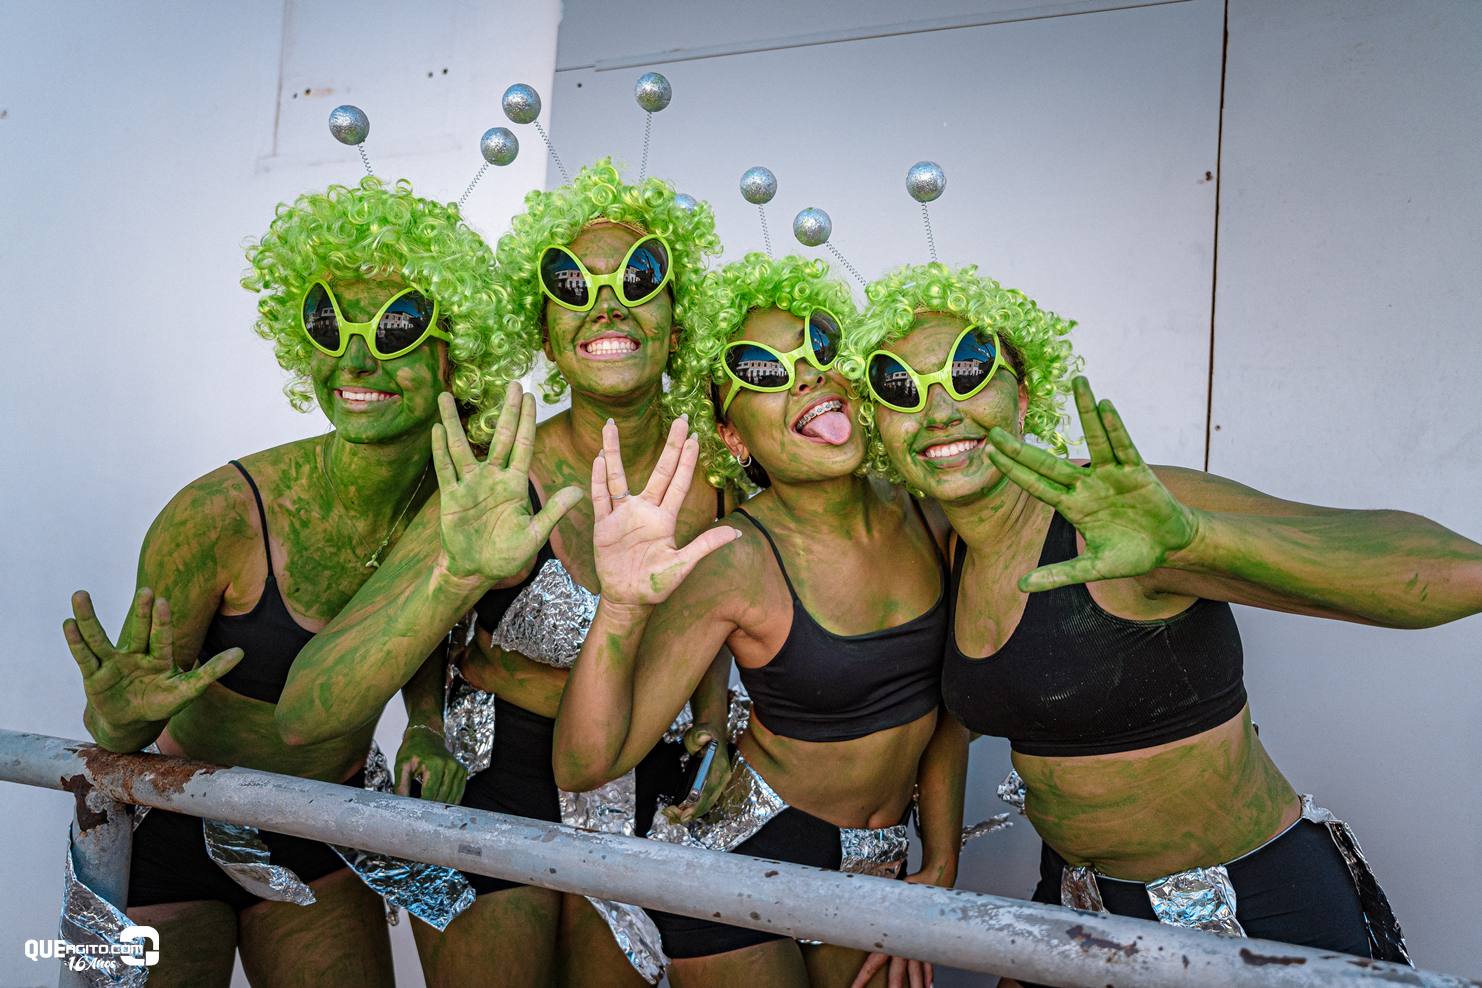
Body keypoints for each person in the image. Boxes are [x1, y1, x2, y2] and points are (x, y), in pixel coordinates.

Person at [843, 260, 1482, 982]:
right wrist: (939, 864)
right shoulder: (943, 546)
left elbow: (1450, 572)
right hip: (1077, 911)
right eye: (899, 386)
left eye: (967, 372)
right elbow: (952, 714)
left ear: (1021, 399)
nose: (938, 410)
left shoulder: (1126, 510)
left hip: (1249, 919)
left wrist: (1195, 541)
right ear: (879, 426)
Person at [276, 159, 734, 987]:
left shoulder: (734, 480)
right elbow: (307, 713)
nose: (606, 304)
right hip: (489, 786)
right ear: (546, 332)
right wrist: (454, 587)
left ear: (678, 320)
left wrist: (714, 726)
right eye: (571, 284)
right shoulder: (492, 478)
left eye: (639, 278)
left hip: (662, 802)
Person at [61, 176, 523, 987]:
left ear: (457, 351)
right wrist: (114, 714)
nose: (355, 359)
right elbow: (120, 729)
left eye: (398, 328)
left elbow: (407, 631)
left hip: (321, 825)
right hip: (171, 818)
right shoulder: (217, 516)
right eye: (329, 324)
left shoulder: (459, 505)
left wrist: (423, 725)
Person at [554, 253, 970, 988]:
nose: (805, 375)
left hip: (881, 867)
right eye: (763, 370)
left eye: (819, 346)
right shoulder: (736, 558)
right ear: (735, 439)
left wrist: (939, 866)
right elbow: (585, 764)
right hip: (742, 865)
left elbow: (947, 717)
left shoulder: (931, 516)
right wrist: (620, 607)